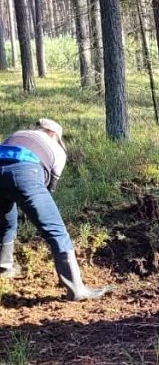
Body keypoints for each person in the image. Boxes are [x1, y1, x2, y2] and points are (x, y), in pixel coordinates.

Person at [0, 119, 111, 300]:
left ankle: (4, 268)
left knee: (5, 222)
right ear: (55, 135)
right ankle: (77, 290)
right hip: (26, 172)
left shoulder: (17, 134)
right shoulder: (58, 150)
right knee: (56, 230)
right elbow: (50, 187)